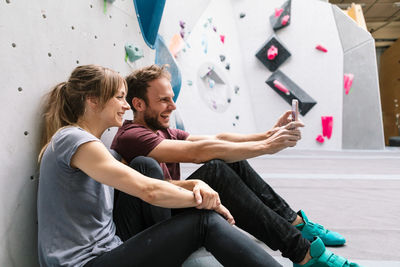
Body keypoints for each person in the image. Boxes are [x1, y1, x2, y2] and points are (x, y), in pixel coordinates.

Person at [111, 64, 362, 267]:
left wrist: (269, 134)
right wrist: (267, 147)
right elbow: (197, 153)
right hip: (152, 230)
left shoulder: (161, 130)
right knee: (215, 169)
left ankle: (297, 225)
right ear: (139, 104)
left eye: (172, 98)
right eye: (164, 100)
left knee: (228, 160)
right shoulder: (132, 135)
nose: (173, 106)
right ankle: (304, 254)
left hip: (169, 209)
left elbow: (218, 140)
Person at [37, 64, 283, 267]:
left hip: (110, 248)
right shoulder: (72, 139)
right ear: (92, 100)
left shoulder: (96, 146)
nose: (126, 105)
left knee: (144, 165)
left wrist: (192, 185)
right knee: (203, 222)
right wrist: (204, 201)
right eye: (119, 97)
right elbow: (149, 191)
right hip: (85, 263)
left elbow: (146, 182)